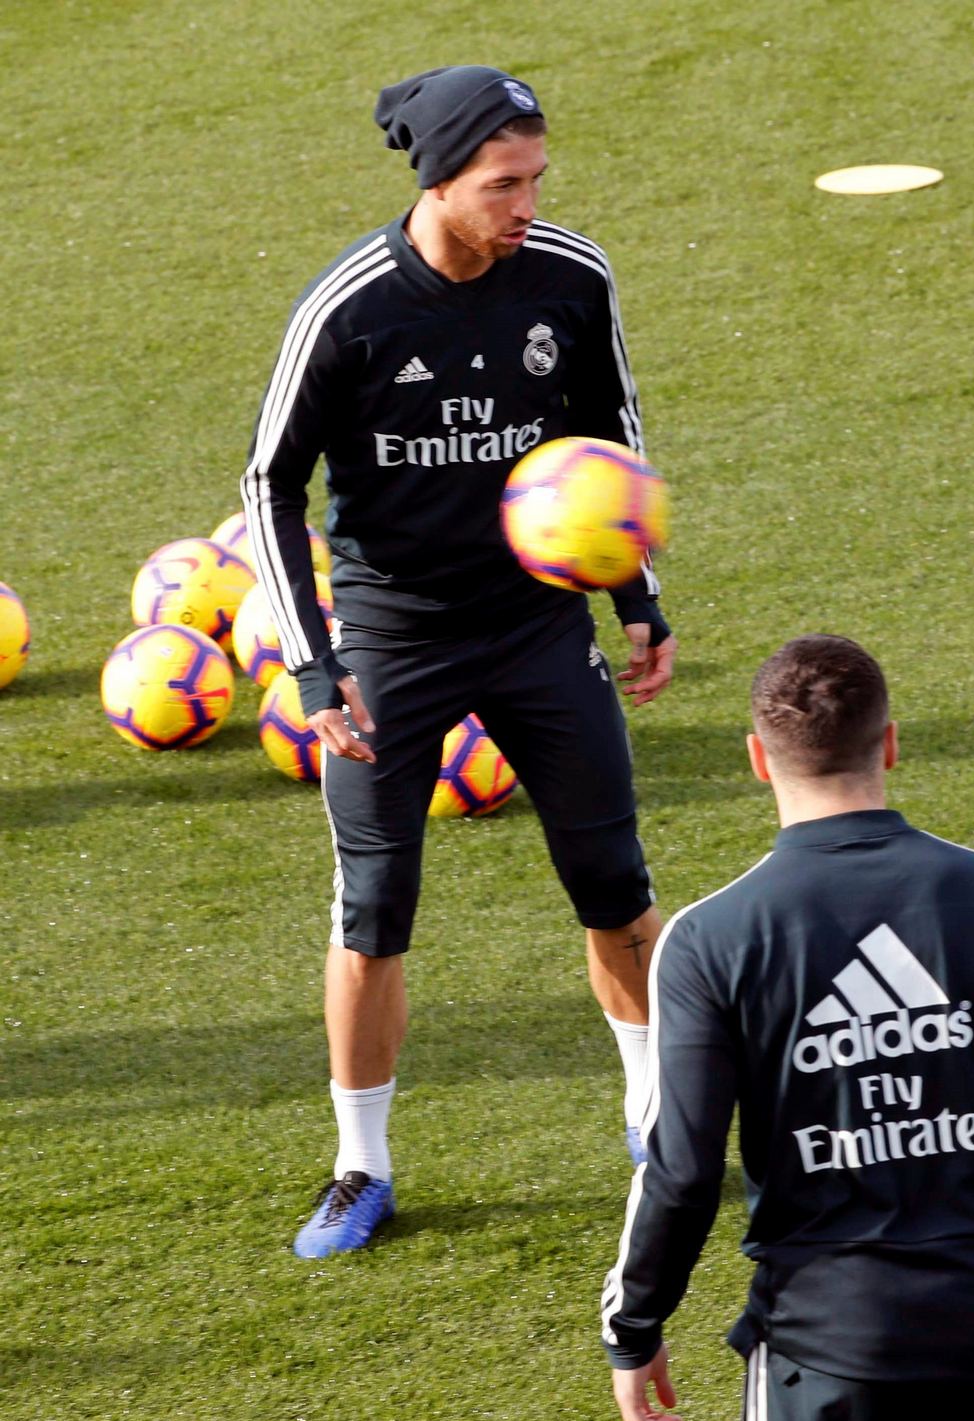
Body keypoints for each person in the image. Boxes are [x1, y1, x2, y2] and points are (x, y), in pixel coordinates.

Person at [240, 66, 679, 1258]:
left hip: (539, 625)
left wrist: (635, 595)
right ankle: (361, 1166)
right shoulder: (351, 308)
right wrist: (316, 666)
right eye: (503, 185)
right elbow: (270, 483)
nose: (528, 204)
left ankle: (657, 1114)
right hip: (392, 637)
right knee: (373, 909)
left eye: (536, 179)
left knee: (614, 882)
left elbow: (610, 435)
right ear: (438, 181)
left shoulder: (571, 277)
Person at [601, 635, 974, 1421]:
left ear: (758, 759)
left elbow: (681, 1170)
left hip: (818, 1348)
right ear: (892, 743)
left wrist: (635, 1324)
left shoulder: (707, 939)